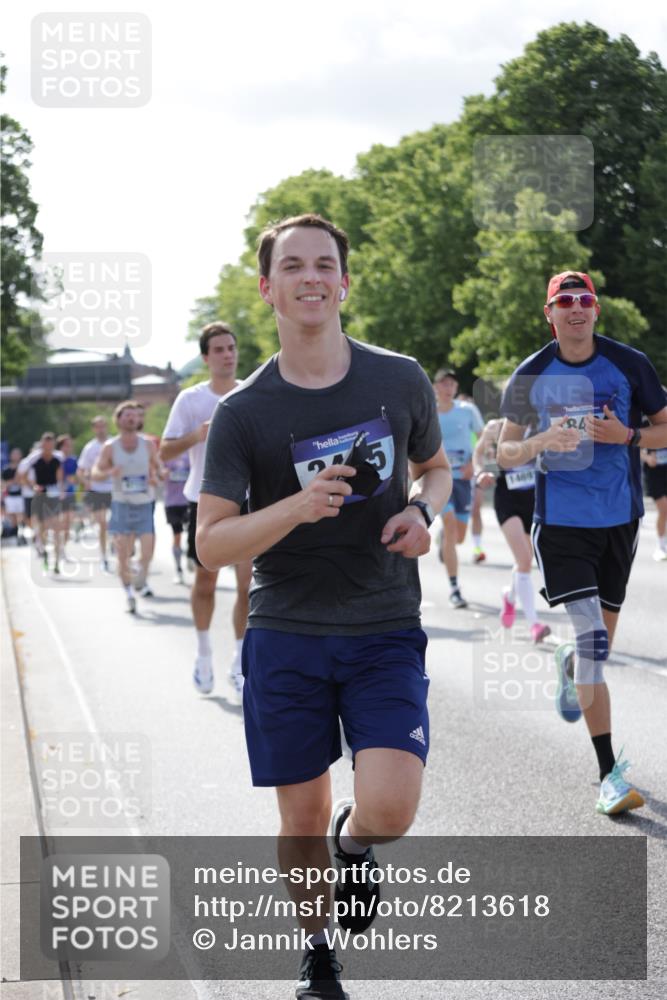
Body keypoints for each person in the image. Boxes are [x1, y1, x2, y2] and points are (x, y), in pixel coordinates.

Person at [196, 213, 450, 1000]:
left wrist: (423, 512)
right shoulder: (244, 412)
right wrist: (294, 509)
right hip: (286, 633)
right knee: (297, 818)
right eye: (294, 265)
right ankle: (316, 953)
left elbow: (436, 468)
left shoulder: (397, 378)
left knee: (391, 808)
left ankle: (357, 843)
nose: (311, 276)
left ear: (343, 281)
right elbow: (211, 544)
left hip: (382, 627)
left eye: (325, 264)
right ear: (267, 287)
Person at [497, 270, 667, 815]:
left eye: (584, 299)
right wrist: (543, 439)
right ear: (549, 313)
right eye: (563, 301)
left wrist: (630, 436)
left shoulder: (629, 363)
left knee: (597, 650)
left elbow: (665, 426)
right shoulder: (531, 374)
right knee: (594, 640)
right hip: (563, 523)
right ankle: (608, 776)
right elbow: (504, 452)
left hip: (619, 519)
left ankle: (570, 661)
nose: (575, 308)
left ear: (596, 310)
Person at [160, 322, 251, 699]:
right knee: (206, 583)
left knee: (249, 585)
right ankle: (202, 653)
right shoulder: (190, 399)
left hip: (249, 499)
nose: (227, 354)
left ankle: (240, 660)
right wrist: (198, 435)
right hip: (205, 498)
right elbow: (164, 452)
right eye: (219, 349)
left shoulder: (252, 392)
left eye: (231, 347)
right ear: (205, 357)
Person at [473, 419, 550, 642]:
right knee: (525, 559)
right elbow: (478, 455)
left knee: (525, 561)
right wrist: (481, 473)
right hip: (508, 500)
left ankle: (510, 595)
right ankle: (534, 624)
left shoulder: (539, 424)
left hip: (535, 499)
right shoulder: (495, 428)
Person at [92, 401, 159, 613]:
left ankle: (140, 575)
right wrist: (109, 472)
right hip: (121, 504)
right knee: (123, 555)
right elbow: (95, 472)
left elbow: (158, 468)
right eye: (127, 415)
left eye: (134, 415)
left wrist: (157, 477)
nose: (131, 418)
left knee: (147, 553)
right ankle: (129, 593)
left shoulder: (148, 444)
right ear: (118, 420)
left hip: (144, 504)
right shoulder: (110, 447)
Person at [432, 369, 483, 608]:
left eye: (452, 383)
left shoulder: (467, 410)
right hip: (439, 478)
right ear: (435, 387)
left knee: (459, 537)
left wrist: (474, 464)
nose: (448, 387)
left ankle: (445, 539)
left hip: (463, 478)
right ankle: (454, 588)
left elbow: (482, 438)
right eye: (443, 383)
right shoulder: (428, 412)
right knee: (450, 525)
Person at [18, 432, 64, 573]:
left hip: (53, 493)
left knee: (56, 528)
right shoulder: (34, 459)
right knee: (42, 527)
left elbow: (60, 475)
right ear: (42, 444)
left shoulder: (58, 458)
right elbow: (22, 476)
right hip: (39, 494)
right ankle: (45, 553)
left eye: (51, 445)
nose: (48, 448)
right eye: (46, 445)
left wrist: (61, 489)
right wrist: (33, 486)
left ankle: (56, 561)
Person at [78, 416, 113, 571]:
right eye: (97, 426)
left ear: (107, 426)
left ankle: (115, 544)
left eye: (103, 426)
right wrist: (86, 482)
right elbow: (80, 470)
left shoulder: (114, 443)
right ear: (94, 429)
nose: (101, 429)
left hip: (115, 489)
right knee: (102, 524)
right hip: (97, 490)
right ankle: (104, 557)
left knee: (116, 523)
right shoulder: (89, 448)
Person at [640, 393, 667, 561]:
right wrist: (647, 457)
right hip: (654, 473)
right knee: (664, 508)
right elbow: (633, 443)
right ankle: (660, 546)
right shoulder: (645, 421)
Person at [163, 453, 190, 582]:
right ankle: (178, 569)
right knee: (177, 536)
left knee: (193, 533)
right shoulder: (166, 454)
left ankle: (192, 555)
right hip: (172, 503)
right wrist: (164, 473)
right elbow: (157, 473)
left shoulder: (190, 454)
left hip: (188, 501)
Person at [56, 434, 78, 559]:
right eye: (66, 445)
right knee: (59, 522)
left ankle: (62, 548)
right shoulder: (54, 459)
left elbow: (75, 478)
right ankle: (56, 546)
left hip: (70, 494)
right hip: (55, 495)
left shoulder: (73, 460)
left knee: (68, 522)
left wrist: (74, 480)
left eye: (70, 445)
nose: (68, 448)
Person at [1, 448, 27, 544]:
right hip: (10, 497)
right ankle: (16, 535)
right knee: (12, 517)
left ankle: (22, 534)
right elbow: (3, 484)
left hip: (21, 496)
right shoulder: (6, 469)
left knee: (22, 516)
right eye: (14, 454)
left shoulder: (24, 468)